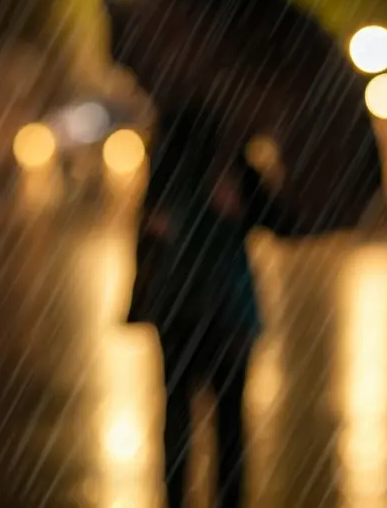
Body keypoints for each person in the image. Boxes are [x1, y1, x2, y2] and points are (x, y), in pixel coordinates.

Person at [128, 104, 298, 508]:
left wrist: (243, 199)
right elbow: (149, 226)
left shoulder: (230, 166)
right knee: (190, 423)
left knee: (218, 427)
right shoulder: (177, 163)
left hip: (217, 310)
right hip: (193, 307)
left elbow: (282, 221)